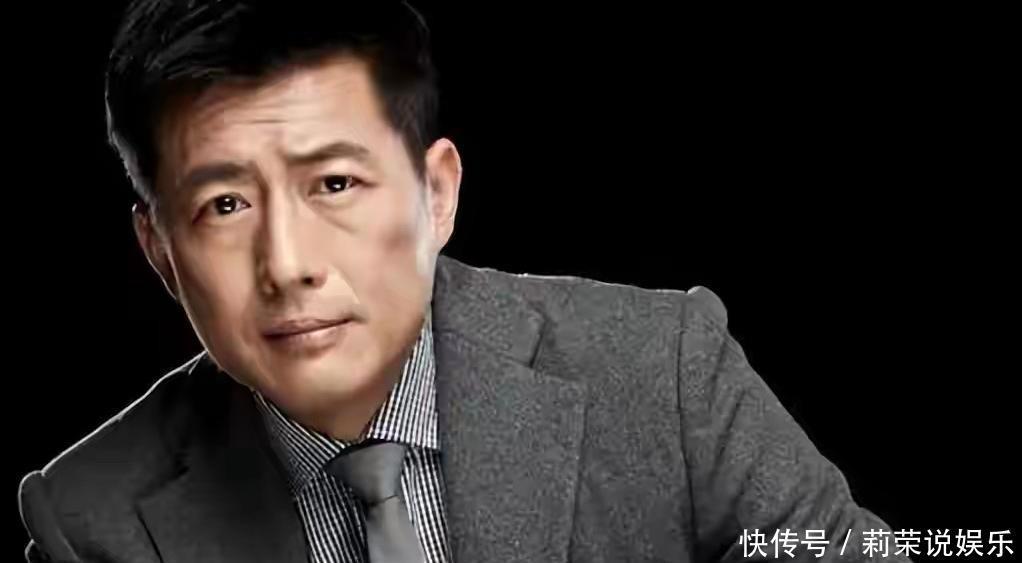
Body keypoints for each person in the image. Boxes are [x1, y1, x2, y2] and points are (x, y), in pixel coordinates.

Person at [18, 1, 909, 562]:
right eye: (224, 205)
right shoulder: (91, 520)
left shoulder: (660, 371)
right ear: (160, 253)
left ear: (436, 194)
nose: (287, 263)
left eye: (335, 184)